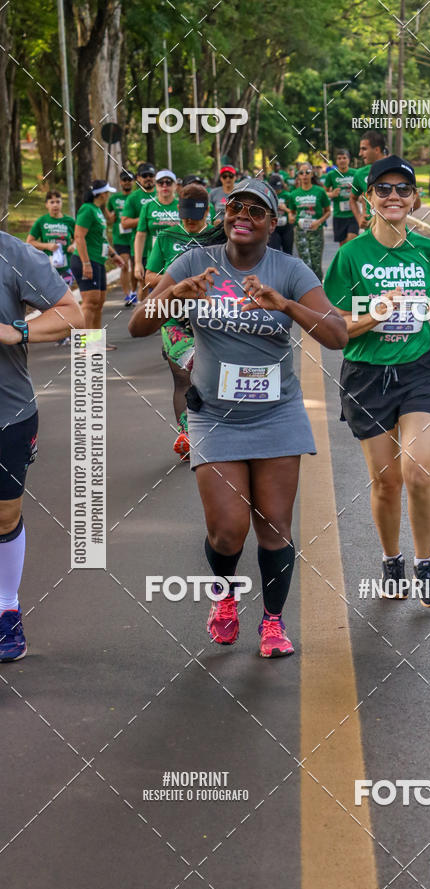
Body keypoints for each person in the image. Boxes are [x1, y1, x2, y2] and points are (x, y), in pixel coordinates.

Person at [129, 178, 347, 657]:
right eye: (235, 206)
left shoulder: (289, 269)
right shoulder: (193, 262)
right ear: (225, 216)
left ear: (272, 221)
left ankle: (272, 622)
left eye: (256, 209)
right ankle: (224, 596)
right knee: (228, 531)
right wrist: (176, 295)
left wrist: (285, 304)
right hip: (214, 415)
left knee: (273, 525)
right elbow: (138, 324)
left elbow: (337, 334)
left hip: (277, 414)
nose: (242, 214)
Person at [324, 155, 430, 606]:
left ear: (415, 199)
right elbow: (335, 324)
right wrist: (374, 312)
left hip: (420, 370)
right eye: (383, 189)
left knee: (417, 468)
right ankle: (391, 561)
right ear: (369, 198)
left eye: (403, 189)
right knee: (386, 482)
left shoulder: (428, 251)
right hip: (366, 375)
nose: (394, 196)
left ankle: (425, 565)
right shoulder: (350, 255)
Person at [0, 233, 84, 661]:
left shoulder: (14, 255)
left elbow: (73, 314)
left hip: (7, 413)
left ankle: (5, 611)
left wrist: (18, 331)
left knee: (3, 515)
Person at [144, 183, 211, 457]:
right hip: (174, 318)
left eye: (195, 220)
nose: (190, 224)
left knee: (209, 377)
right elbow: (149, 277)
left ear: (207, 213)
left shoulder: (219, 237)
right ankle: (186, 434)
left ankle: (211, 429)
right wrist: (179, 283)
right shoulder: (166, 237)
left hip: (211, 317)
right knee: (183, 376)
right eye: (185, 219)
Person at [71, 179, 125, 349]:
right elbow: (79, 236)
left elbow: (99, 238)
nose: (108, 195)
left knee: (99, 302)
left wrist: (113, 254)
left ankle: (96, 341)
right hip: (86, 260)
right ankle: (84, 343)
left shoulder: (97, 210)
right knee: (89, 302)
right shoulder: (87, 209)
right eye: (107, 192)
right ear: (101, 194)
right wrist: (86, 263)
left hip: (98, 260)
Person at [27, 189, 77, 346]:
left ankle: (67, 332)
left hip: (66, 268)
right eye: (52, 202)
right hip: (47, 269)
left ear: (62, 203)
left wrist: (74, 245)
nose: (55, 205)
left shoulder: (69, 221)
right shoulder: (42, 221)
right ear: (46, 205)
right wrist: (47, 245)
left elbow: (79, 238)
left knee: (63, 299)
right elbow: (30, 241)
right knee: (52, 302)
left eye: (58, 201)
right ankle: (60, 332)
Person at [133, 168, 180, 288]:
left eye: (168, 182)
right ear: (156, 186)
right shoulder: (148, 206)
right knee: (153, 300)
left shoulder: (180, 206)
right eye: (160, 182)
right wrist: (138, 263)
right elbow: (140, 235)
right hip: (155, 261)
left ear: (175, 186)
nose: (165, 185)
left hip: (177, 259)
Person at [121, 162, 157, 304]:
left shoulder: (162, 194)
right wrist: (147, 219)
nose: (148, 178)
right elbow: (124, 222)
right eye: (144, 176)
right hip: (142, 249)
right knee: (145, 284)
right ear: (138, 178)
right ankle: (144, 318)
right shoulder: (133, 198)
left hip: (162, 248)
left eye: (151, 175)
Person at [288, 164, 331, 280]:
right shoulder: (294, 194)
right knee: (305, 263)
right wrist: (291, 217)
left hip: (316, 231)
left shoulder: (320, 191)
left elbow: (328, 212)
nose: (304, 175)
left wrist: (318, 222)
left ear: (312, 174)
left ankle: (319, 289)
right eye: (301, 173)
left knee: (316, 264)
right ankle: (308, 291)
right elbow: (291, 212)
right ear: (298, 176)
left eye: (307, 172)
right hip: (300, 232)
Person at [106, 169, 137, 305]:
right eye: (125, 180)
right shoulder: (114, 199)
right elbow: (109, 218)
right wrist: (110, 216)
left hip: (135, 236)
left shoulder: (136, 197)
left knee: (135, 265)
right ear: (120, 182)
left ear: (133, 182)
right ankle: (127, 294)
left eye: (129, 180)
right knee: (124, 265)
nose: (127, 182)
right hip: (120, 237)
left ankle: (134, 291)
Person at [349, 130, 388, 230]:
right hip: (371, 231)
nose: (360, 154)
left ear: (377, 150)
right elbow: (352, 199)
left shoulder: (398, 169)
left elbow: (415, 203)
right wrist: (359, 218)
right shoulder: (360, 174)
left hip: (394, 232)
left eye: (364, 149)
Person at [324, 149, 358, 245]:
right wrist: (332, 194)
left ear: (349, 160)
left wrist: (358, 196)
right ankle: (344, 260)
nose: (342, 160)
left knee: (351, 240)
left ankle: (350, 258)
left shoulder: (355, 173)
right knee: (342, 245)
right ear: (336, 161)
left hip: (353, 214)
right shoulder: (331, 175)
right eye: (339, 158)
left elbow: (363, 191)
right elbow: (323, 193)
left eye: (344, 158)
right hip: (339, 215)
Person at [267, 173, 294, 255]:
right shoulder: (268, 196)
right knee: (275, 251)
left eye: (278, 188)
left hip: (287, 227)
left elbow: (293, 212)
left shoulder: (288, 195)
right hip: (274, 228)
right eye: (274, 189)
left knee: (288, 252)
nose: (276, 191)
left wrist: (285, 209)